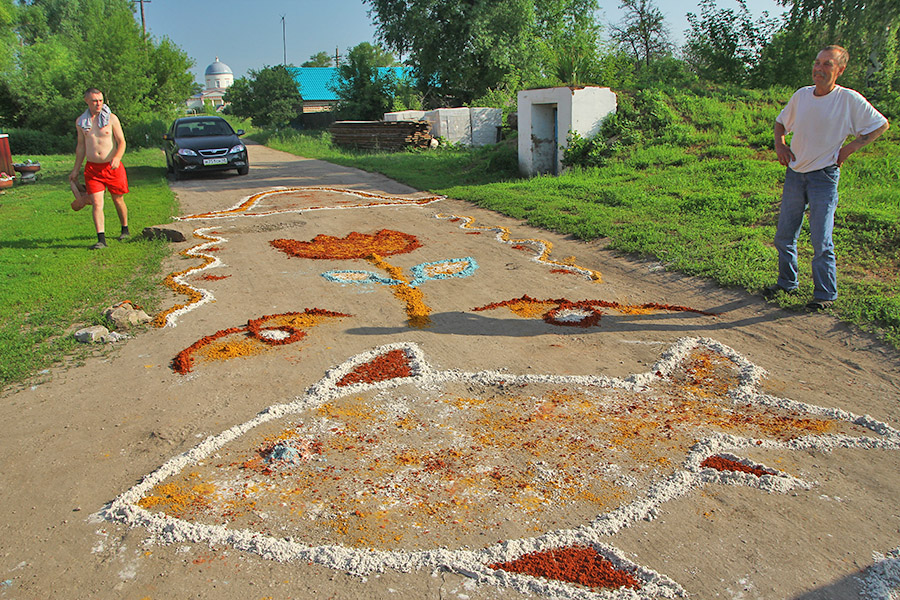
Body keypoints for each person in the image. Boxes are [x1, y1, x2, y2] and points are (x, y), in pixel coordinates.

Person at [767, 45, 889, 310]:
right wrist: (781, 144)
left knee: (821, 239)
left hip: (824, 176)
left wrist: (850, 148)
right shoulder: (801, 96)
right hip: (796, 174)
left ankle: (825, 294)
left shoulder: (849, 100)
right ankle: (787, 283)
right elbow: (780, 123)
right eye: (817, 63)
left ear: (840, 70)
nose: (819, 69)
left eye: (827, 64)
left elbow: (881, 124)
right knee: (784, 236)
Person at [68, 88, 130, 250]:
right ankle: (101, 239)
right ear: (86, 101)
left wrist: (117, 158)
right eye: (95, 101)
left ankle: (125, 228)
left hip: (112, 166)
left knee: (118, 199)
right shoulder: (81, 122)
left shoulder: (111, 119)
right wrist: (75, 170)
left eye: (101, 100)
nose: (98, 104)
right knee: (96, 202)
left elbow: (122, 141)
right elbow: (81, 147)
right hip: (93, 169)